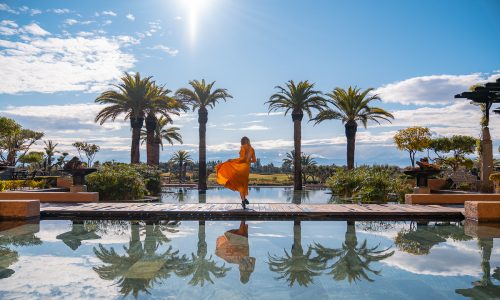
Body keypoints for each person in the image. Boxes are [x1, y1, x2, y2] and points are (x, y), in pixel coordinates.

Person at [215, 136, 256, 209]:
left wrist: (232, 160)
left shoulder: (243, 148)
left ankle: (243, 200)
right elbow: (254, 160)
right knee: (243, 184)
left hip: (240, 168)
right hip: (246, 169)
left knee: (240, 184)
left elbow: (241, 159)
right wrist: (248, 161)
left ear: (242, 142)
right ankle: (244, 200)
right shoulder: (252, 149)